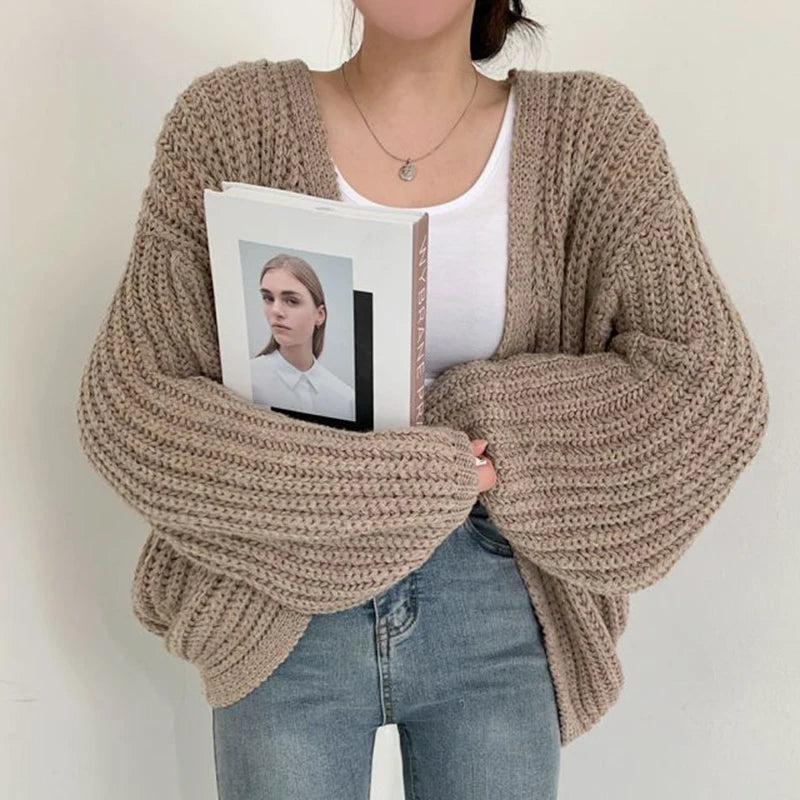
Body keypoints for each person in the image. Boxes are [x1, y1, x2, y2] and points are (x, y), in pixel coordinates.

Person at [75, 1, 769, 798]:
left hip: (500, 606)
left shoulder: (594, 135)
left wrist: (491, 432)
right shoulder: (231, 122)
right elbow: (131, 397)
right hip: (281, 604)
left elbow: (709, 381)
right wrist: (411, 478)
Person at [249, 253, 356, 420]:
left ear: (319, 315)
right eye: (268, 298)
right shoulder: (248, 380)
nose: (276, 311)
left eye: (291, 301)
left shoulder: (345, 398)